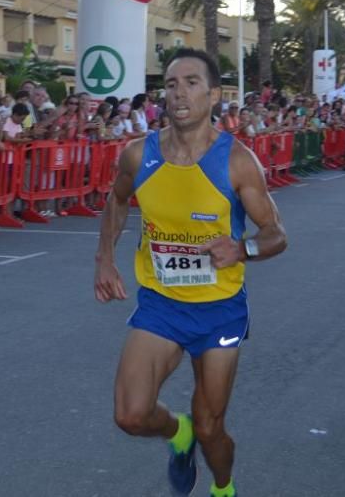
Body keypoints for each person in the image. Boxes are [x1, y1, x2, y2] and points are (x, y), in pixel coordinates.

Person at [94, 49, 287, 497]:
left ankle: (223, 487)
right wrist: (104, 257)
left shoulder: (237, 161)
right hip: (162, 304)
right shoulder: (139, 154)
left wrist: (244, 248)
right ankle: (174, 432)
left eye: (192, 82)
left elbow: (277, 233)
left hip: (219, 310)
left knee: (211, 427)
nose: (179, 92)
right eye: (172, 83)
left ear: (214, 94)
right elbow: (117, 199)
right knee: (131, 415)